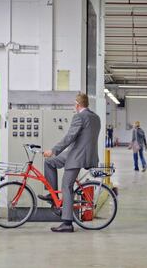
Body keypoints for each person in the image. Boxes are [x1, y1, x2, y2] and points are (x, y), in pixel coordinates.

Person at [39, 93, 101, 233]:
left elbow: (69, 137)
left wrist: (54, 150)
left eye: (75, 104)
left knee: (66, 186)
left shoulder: (79, 117)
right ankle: (52, 195)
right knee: (50, 163)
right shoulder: (96, 118)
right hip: (83, 154)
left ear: (77, 105)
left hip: (77, 156)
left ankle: (67, 223)